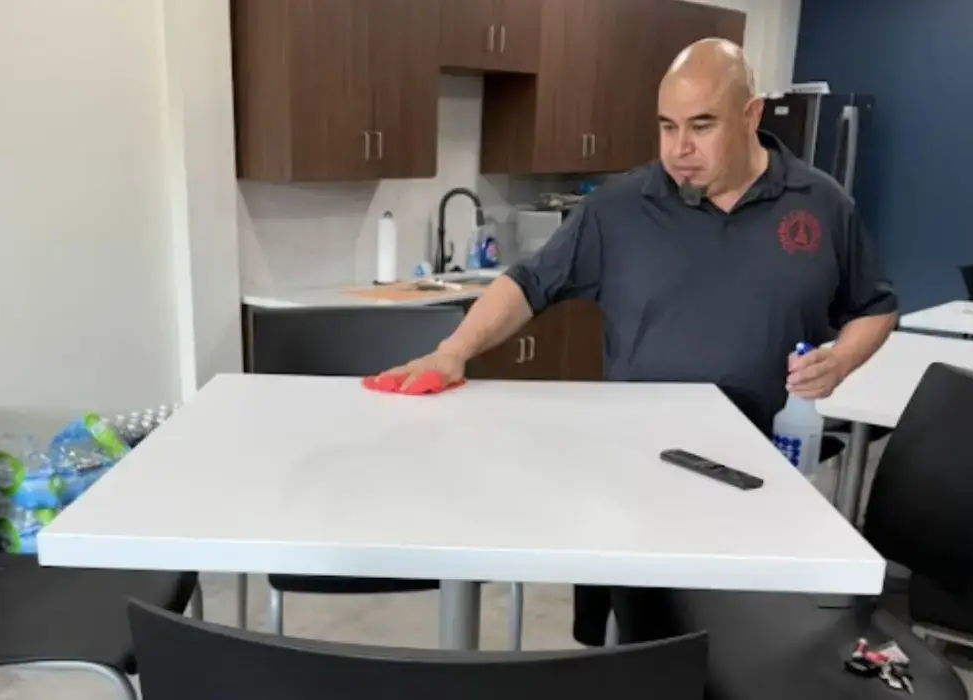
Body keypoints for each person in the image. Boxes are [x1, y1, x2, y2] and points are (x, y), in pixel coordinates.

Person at [380, 38, 899, 645]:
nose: (680, 149)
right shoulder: (620, 209)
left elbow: (876, 307)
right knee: (644, 650)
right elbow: (527, 283)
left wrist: (840, 361)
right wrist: (453, 351)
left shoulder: (822, 205)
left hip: (763, 478)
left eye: (702, 125)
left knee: (749, 648)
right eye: (667, 126)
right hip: (635, 480)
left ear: (752, 115)